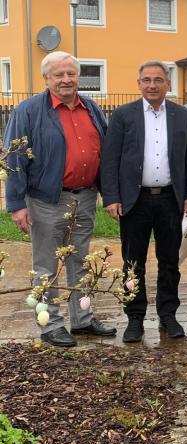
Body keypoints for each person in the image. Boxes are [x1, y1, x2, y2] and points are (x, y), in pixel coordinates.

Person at [3, 51, 116, 347]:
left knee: (81, 261)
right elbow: (14, 158)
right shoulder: (27, 111)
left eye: (71, 73)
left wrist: (109, 193)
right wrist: (16, 205)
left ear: (78, 77)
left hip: (85, 197)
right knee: (46, 266)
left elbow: (104, 153)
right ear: (46, 78)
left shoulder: (91, 107)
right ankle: (50, 324)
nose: (66, 79)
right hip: (46, 201)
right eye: (59, 75)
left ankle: (82, 319)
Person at [101, 60, 187, 343]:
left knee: (170, 261)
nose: (152, 85)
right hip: (135, 201)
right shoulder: (123, 115)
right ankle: (135, 318)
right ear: (139, 84)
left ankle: (168, 315)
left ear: (168, 84)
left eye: (158, 80)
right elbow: (110, 159)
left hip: (171, 199)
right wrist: (111, 197)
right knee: (133, 262)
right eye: (146, 80)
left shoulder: (182, 116)